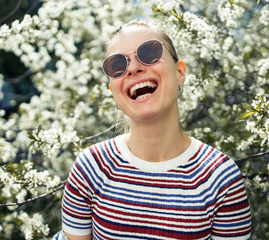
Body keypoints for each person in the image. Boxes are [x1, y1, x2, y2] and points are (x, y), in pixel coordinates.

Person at [56, 19, 252, 240]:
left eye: (149, 53)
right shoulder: (90, 168)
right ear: (113, 90)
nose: (133, 68)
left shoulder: (221, 178)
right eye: (117, 66)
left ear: (179, 72)